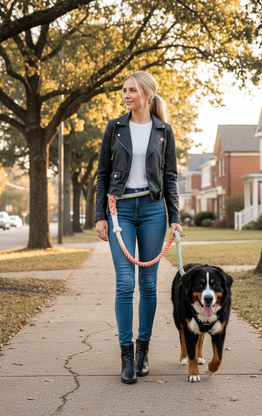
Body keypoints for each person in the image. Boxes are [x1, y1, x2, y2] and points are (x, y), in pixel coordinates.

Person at [95, 70, 183, 384]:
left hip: (152, 211)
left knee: (147, 284)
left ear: (146, 93)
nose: (126, 95)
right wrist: (100, 215)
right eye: (124, 90)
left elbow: (170, 178)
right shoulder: (115, 128)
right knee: (123, 283)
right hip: (120, 210)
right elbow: (102, 174)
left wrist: (175, 218)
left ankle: (143, 350)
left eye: (132, 90)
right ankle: (126, 356)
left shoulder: (164, 131)